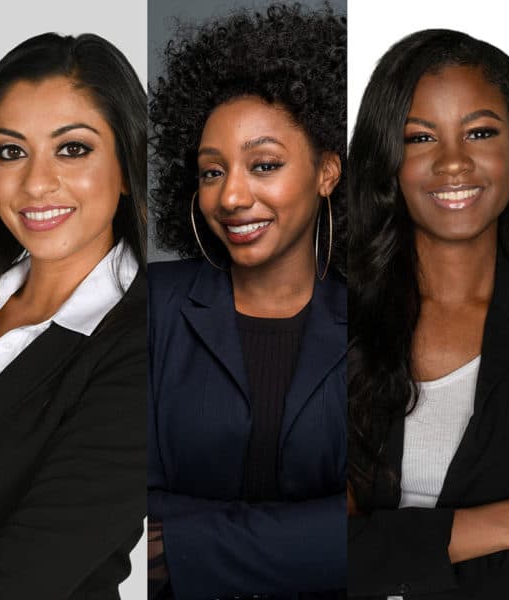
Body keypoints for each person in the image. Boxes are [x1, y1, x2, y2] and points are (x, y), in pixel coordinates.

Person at [147, 4, 347, 598]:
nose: (232, 195)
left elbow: (374, 526)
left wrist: (187, 546)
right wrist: (304, 537)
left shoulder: (380, 317)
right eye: (212, 172)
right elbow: (118, 507)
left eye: (264, 165)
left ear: (327, 172)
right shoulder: (152, 308)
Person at [346, 30, 509, 599]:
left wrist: (403, 542)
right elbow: (321, 549)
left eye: (480, 132)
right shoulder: (341, 322)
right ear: (389, 159)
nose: (454, 162)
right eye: (420, 138)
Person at [0, 33, 147, 600]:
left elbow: (9, 586)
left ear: (128, 167)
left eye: (73, 149)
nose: (36, 183)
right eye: (11, 151)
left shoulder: (144, 347)